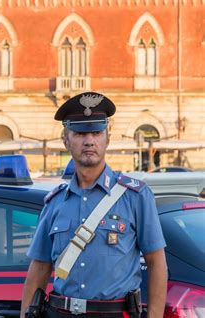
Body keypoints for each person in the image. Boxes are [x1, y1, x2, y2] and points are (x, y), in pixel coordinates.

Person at [21, 92, 167, 318]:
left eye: (97, 132)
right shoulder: (55, 202)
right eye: (80, 133)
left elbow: (156, 262)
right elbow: (39, 268)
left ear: (107, 139)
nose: (89, 140)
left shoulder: (135, 196)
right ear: (65, 140)